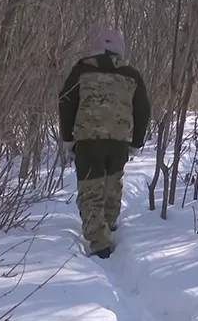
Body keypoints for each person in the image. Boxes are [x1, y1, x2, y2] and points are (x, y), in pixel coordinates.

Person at [58, 28, 151, 259]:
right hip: (119, 141)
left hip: (88, 140)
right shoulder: (132, 74)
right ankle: (109, 224)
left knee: (90, 191)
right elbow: (143, 109)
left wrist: (68, 138)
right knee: (112, 184)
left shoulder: (81, 70)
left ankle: (100, 244)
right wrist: (136, 141)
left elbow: (66, 101)